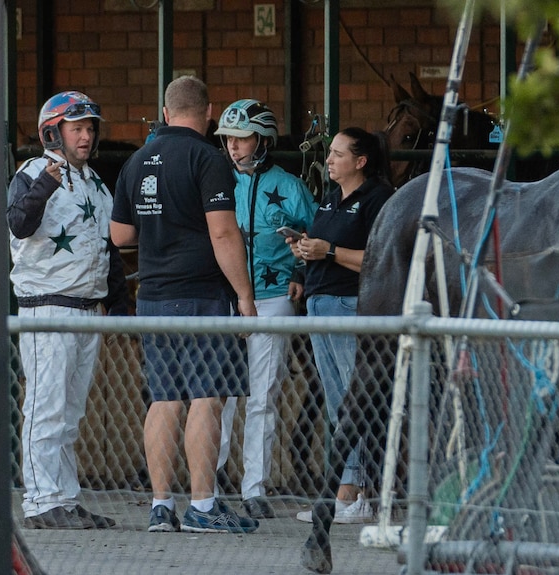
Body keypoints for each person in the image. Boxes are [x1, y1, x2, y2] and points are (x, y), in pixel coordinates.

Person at [110, 75, 260, 534]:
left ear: (167, 112)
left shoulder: (136, 161)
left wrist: (160, 227)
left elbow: (120, 236)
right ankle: (202, 506)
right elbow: (222, 232)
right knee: (206, 398)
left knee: (164, 399)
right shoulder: (207, 158)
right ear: (208, 112)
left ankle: (160, 506)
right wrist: (245, 297)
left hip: (153, 296)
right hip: (201, 295)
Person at [8, 91, 129, 530]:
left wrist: (119, 303)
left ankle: (65, 497)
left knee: (71, 412)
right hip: (48, 307)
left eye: (90, 128)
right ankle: (41, 501)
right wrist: (48, 183)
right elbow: (18, 222)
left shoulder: (96, 183)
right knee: (46, 406)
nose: (86, 135)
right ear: (52, 132)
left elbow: (109, 247)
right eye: (77, 128)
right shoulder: (31, 172)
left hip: (88, 307)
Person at [212, 99, 318, 519]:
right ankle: (213, 478)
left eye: (242, 138)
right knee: (220, 397)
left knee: (263, 396)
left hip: (274, 299)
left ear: (263, 140)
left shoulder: (291, 187)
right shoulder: (216, 181)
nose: (234, 148)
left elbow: (314, 236)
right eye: (229, 139)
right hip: (226, 299)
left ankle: (253, 487)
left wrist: (300, 272)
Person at [289, 127, 395, 525]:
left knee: (357, 400)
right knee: (337, 402)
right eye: (329, 153)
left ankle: (365, 493)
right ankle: (346, 492)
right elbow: (320, 246)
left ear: (360, 161)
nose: (329, 159)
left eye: (336, 153)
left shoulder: (378, 198)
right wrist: (303, 252)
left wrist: (328, 251)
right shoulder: (331, 199)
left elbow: (379, 258)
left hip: (351, 304)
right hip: (318, 303)